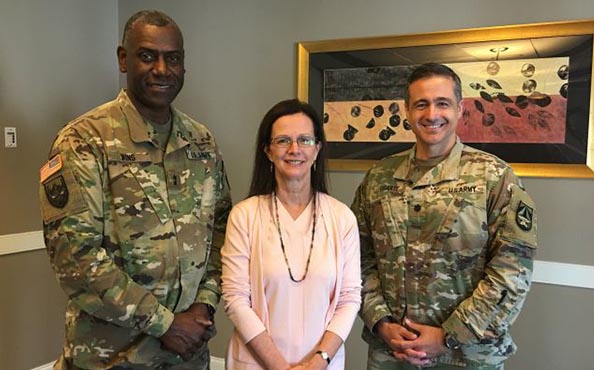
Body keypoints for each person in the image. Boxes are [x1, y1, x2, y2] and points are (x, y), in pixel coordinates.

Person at [39, 10, 232, 370]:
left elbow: (221, 233)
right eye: (147, 55)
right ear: (123, 59)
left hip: (186, 357)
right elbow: (75, 258)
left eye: (172, 58)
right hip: (111, 357)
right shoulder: (84, 140)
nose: (162, 69)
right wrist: (166, 324)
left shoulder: (201, 142)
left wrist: (204, 306)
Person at [351, 63, 537, 370]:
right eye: (421, 104)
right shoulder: (378, 178)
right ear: (407, 111)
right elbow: (357, 259)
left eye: (443, 103)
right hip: (392, 353)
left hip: (467, 356)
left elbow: (511, 271)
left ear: (460, 109)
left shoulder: (494, 177)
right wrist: (381, 322)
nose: (432, 114)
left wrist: (449, 336)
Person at [221, 99, 361, 370]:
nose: (294, 149)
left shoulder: (341, 217)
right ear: (268, 151)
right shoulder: (245, 216)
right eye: (283, 140)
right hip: (256, 363)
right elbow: (235, 298)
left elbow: (349, 298)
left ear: (317, 149)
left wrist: (319, 361)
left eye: (305, 140)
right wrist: (279, 367)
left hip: (323, 365)